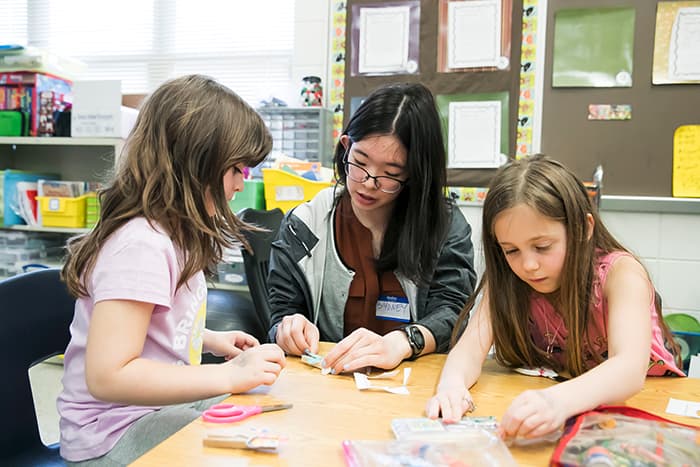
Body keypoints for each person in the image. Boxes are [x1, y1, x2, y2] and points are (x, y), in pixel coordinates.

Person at [57, 75, 287, 466]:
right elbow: (108, 376)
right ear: (196, 164)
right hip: (111, 432)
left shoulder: (172, 234)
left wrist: (209, 339)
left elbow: (151, 324)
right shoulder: (141, 245)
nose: (240, 183)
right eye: (236, 168)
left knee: (266, 410)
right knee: (243, 449)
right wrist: (228, 376)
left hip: (145, 411)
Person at [426, 154, 683, 441]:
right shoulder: (508, 279)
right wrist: (451, 387)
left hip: (645, 413)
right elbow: (468, 351)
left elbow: (628, 370)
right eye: (511, 250)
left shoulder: (621, 274)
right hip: (567, 416)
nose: (528, 265)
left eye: (542, 246)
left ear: (583, 228)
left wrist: (556, 401)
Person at [267, 82, 477, 374]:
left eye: (391, 174)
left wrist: (404, 342)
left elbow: (453, 311)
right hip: (326, 385)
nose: (368, 182)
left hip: (414, 385)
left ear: (416, 174)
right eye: (360, 162)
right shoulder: (305, 225)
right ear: (345, 147)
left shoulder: (443, 225)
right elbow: (281, 312)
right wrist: (288, 327)